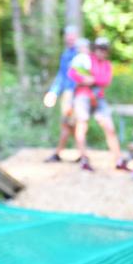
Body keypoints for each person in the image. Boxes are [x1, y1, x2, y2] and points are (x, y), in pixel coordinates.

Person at [67, 37, 129, 172]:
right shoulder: (85, 59)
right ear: (95, 49)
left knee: (109, 127)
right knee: (82, 125)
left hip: (98, 97)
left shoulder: (106, 64)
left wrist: (92, 79)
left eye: (104, 50)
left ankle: (118, 159)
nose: (102, 52)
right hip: (83, 96)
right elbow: (72, 72)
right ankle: (84, 158)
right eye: (99, 49)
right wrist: (84, 79)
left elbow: (105, 80)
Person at [42, 26, 79, 162]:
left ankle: (61, 153)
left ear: (76, 37)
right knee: (69, 124)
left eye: (72, 37)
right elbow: (61, 76)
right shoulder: (65, 54)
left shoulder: (80, 54)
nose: (69, 39)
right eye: (67, 37)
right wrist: (53, 92)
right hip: (67, 93)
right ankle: (79, 153)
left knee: (70, 123)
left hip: (76, 94)